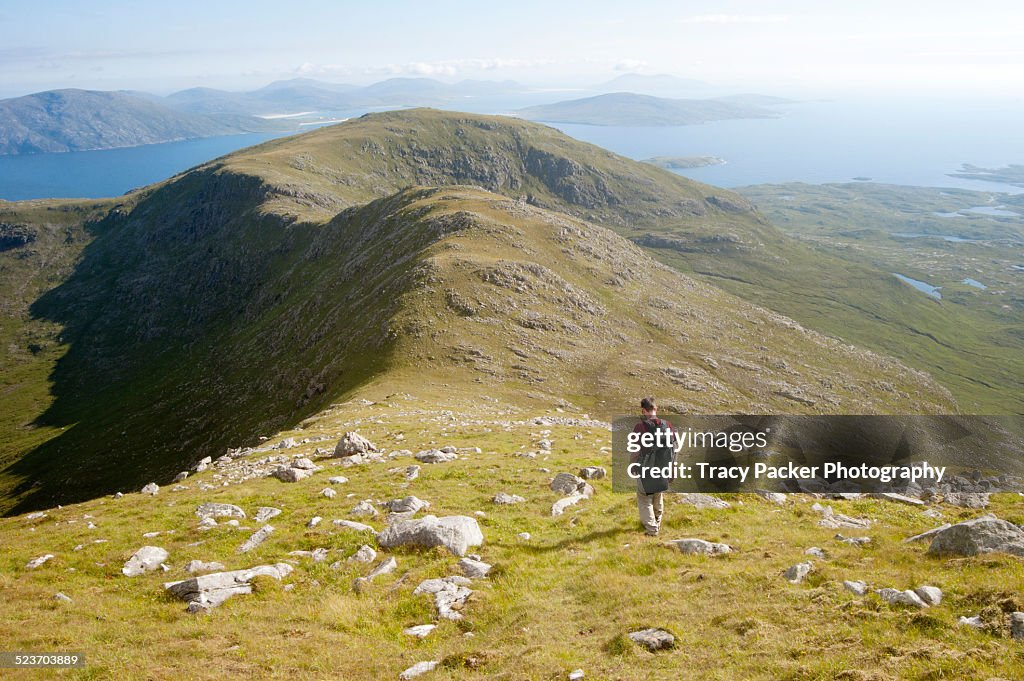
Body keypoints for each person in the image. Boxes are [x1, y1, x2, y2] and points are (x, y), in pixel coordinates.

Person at [630, 396, 673, 536]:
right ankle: (657, 523)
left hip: (646, 468)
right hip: (663, 468)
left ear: (643, 410)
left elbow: (635, 450)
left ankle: (652, 529)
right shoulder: (668, 425)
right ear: (656, 408)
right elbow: (674, 450)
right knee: (657, 495)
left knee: (644, 498)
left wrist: (633, 466)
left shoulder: (639, 427)